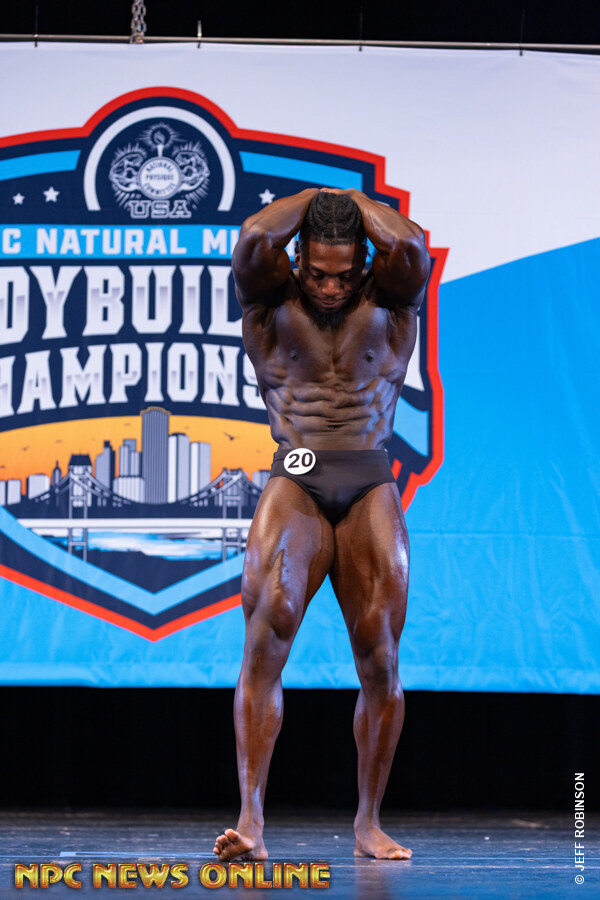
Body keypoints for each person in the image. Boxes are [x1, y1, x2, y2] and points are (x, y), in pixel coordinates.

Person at [213, 187, 430, 862]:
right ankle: (251, 820)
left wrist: (354, 204)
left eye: (343, 274)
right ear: (297, 259)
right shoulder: (268, 300)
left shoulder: (390, 300)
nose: (330, 288)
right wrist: (312, 200)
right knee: (267, 635)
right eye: (317, 273)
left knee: (381, 657)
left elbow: (411, 245)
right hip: (297, 471)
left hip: (369, 477)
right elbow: (254, 237)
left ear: (362, 260)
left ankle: (368, 822)